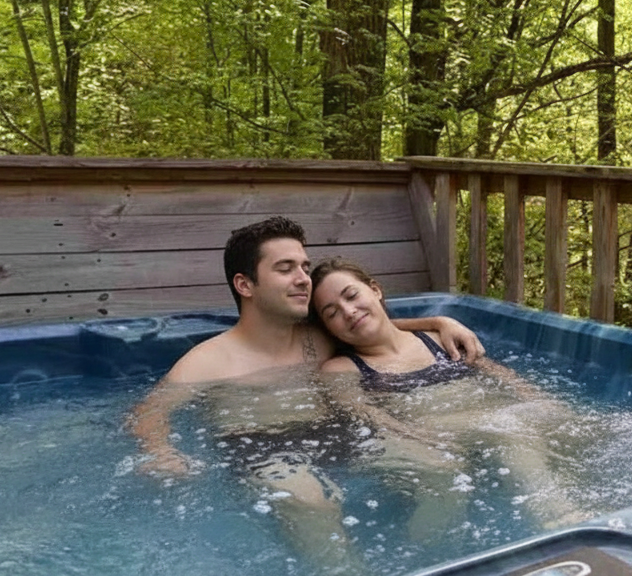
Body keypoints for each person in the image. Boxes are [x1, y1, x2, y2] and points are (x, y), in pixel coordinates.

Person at [127, 217, 484, 570]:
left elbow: (374, 326)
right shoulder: (207, 361)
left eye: (304, 267)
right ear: (245, 285)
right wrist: (162, 451)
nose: (303, 279)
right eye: (286, 269)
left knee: (445, 470)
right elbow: (150, 412)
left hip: (339, 432)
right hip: (263, 446)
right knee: (315, 502)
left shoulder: (317, 337)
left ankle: (420, 561)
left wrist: (439, 322)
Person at [308, 258, 588, 543]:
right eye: (332, 313)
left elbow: (498, 373)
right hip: (428, 433)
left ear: (375, 290)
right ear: (328, 329)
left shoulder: (439, 338)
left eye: (352, 296)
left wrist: (540, 400)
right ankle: (563, 521)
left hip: (487, 423)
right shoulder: (343, 368)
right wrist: (418, 437)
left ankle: (563, 515)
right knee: (508, 428)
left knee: (564, 427)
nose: (349, 311)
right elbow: (363, 415)